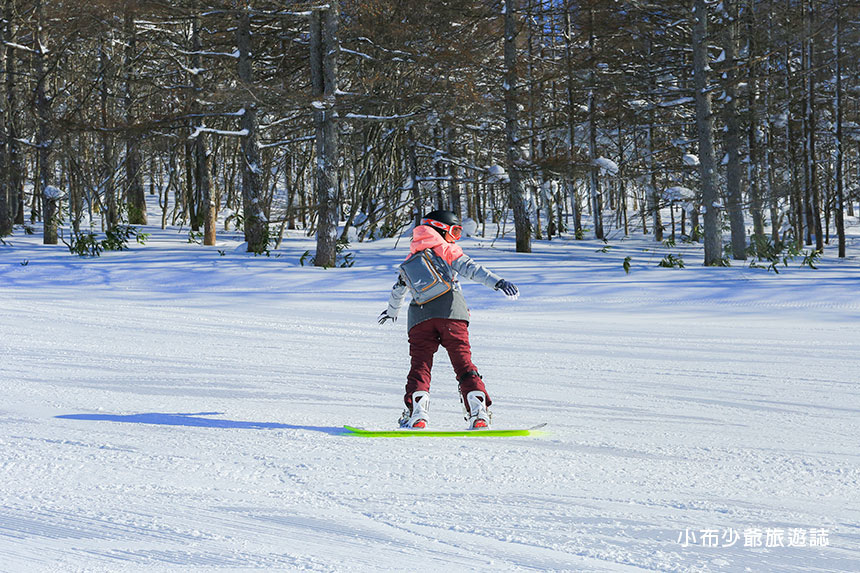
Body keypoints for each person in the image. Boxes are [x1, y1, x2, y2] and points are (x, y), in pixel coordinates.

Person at [378, 210, 519, 429]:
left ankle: (417, 415)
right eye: (454, 232)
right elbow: (471, 269)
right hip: (452, 313)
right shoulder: (446, 249)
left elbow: (398, 288)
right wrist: (498, 282)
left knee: (420, 366)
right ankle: (479, 413)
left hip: (419, 318)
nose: (455, 238)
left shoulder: (412, 257)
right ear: (440, 229)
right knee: (463, 364)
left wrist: (392, 311)